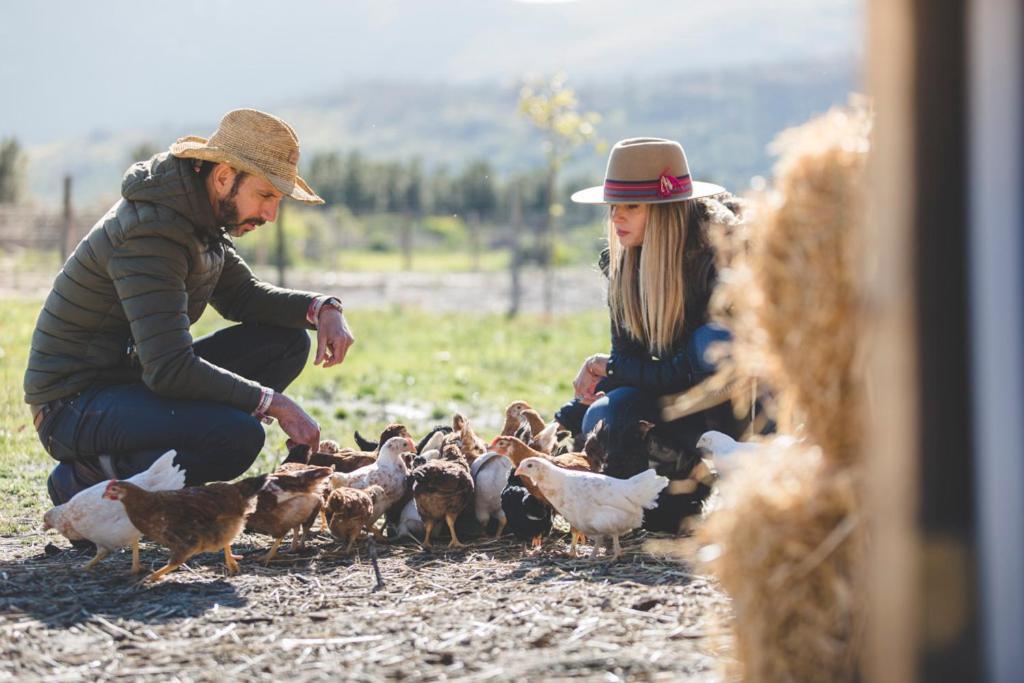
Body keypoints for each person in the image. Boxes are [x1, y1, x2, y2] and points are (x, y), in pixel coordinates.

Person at [25, 109, 355, 506]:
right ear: (222, 178)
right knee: (237, 435)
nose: (270, 214)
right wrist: (274, 403)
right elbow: (169, 369)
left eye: (277, 200)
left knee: (286, 343)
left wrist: (322, 309)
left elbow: (242, 297)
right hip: (74, 406)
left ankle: (156, 467)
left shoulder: (199, 218)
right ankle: (86, 482)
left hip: (131, 380)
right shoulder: (152, 232)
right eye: (265, 195)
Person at [554, 137, 747, 502]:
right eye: (613, 206)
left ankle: (735, 480)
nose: (616, 217)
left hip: (726, 415)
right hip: (670, 404)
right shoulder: (622, 267)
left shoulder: (717, 266)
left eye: (632, 206)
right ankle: (670, 487)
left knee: (710, 341)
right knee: (601, 416)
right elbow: (630, 361)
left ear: (665, 211)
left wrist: (608, 367)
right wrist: (609, 374)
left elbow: (688, 372)